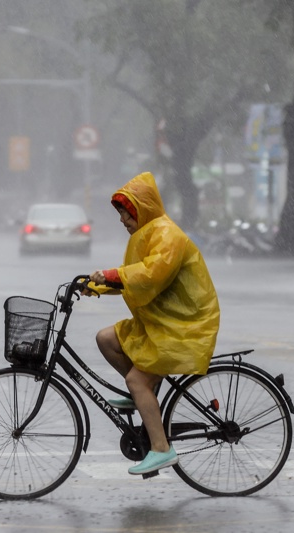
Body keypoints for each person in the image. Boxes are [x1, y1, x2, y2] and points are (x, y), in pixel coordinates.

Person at [85, 171, 220, 475]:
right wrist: (94, 286)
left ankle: (161, 448)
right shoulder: (147, 234)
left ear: (141, 208)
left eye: (126, 212)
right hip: (162, 323)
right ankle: (144, 396)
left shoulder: (167, 235)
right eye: (120, 213)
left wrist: (110, 276)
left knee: (136, 380)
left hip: (183, 326)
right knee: (106, 338)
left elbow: (150, 274)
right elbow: (132, 274)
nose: (122, 220)